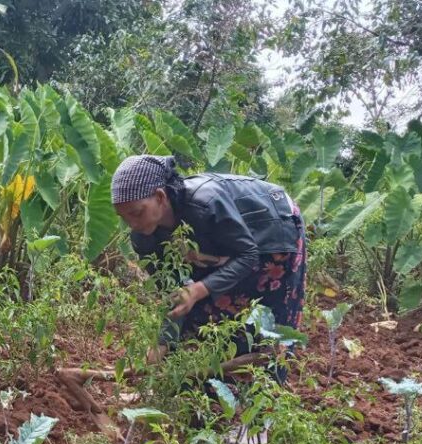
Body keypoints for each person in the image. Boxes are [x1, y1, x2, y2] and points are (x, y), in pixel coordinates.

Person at [111, 155, 307, 373]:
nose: (133, 224)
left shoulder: (205, 202)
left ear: (159, 197)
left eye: (137, 213)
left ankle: (262, 387)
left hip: (273, 229)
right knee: (199, 312)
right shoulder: (143, 237)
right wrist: (161, 344)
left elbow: (247, 255)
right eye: (124, 218)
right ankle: (211, 382)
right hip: (228, 242)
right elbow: (175, 294)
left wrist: (198, 289)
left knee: (267, 318)